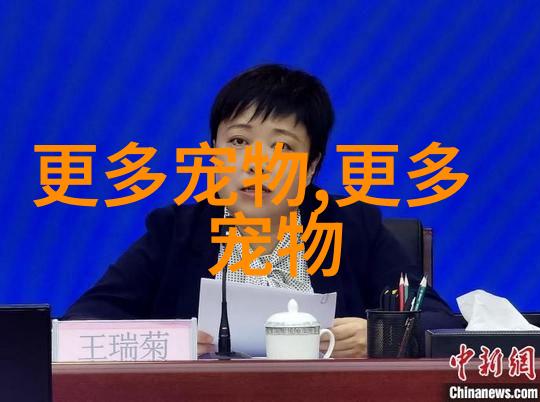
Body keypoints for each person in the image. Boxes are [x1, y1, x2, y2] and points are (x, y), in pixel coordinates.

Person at [63, 64, 461, 357]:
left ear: (311, 167)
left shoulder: (351, 226)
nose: (257, 164)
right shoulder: (176, 232)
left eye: (283, 147)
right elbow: (81, 324)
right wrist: (168, 342)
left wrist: (381, 337)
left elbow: (443, 324)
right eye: (239, 142)